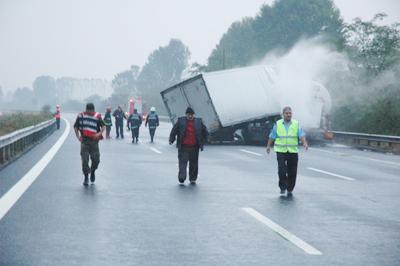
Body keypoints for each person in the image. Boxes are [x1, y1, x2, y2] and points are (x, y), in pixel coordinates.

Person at [266, 106, 308, 196]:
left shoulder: (296, 124)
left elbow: (301, 134)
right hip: (281, 150)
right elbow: (272, 135)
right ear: (283, 115)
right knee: (282, 170)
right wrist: (268, 146)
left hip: (292, 151)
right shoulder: (278, 124)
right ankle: (282, 187)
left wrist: (304, 143)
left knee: (292, 171)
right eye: (287, 113)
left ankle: (290, 188)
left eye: (290, 113)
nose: (289, 115)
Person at [169, 107, 208, 185]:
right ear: (186, 114)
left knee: (194, 164)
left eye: (192, 115)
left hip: (194, 147)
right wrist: (171, 139)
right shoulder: (181, 121)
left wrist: (204, 141)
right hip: (183, 147)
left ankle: (193, 178)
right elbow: (174, 130)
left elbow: (205, 132)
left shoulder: (199, 122)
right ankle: (182, 177)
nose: (190, 116)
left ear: (194, 115)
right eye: (188, 114)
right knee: (182, 163)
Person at [74, 103, 105, 186]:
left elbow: (103, 126)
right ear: (87, 110)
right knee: (84, 159)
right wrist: (78, 136)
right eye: (90, 111)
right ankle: (86, 177)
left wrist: (99, 134)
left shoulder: (97, 116)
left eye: (92, 111)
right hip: (84, 141)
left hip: (94, 141)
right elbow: (76, 126)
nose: (91, 112)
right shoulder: (81, 116)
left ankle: (93, 171)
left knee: (96, 160)